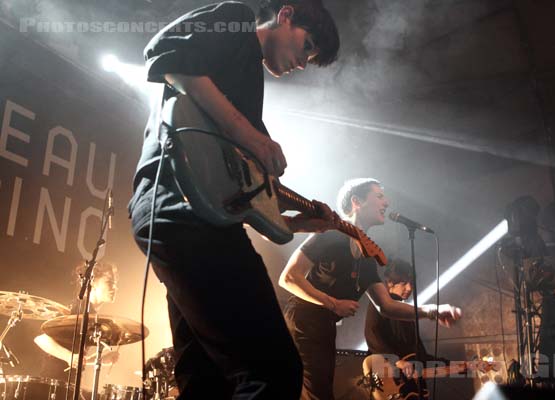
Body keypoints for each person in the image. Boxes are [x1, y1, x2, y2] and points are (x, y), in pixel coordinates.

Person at [128, 1, 340, 399]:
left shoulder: (246, 94)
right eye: (306, 44)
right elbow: (165, 50)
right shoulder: (237, 21)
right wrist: (252, 136)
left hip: (190, 220)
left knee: (208, 381)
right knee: (274, 371)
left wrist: (295, 223)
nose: (303, 62)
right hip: (183, 214)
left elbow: (238, 200)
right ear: (286, 15)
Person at [279, 178, 462, 400]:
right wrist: (334, 303)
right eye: (379, 196)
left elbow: (386, 306)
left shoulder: (367, 254)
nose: (386, 202)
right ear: (357, 201)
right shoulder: (331, 232)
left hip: (324, 325)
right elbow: (289, 277)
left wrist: (432, 311)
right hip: (302, 320)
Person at [34, 262, 120, 379]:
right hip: (52, 383)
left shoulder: (92, 314)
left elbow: (76, 360)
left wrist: (98, 360)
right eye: (109, 283)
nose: (115, 288)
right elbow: (41, 339)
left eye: (115, 284)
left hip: (70, 383)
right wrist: (69, 356)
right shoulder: (77, 308)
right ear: (93, 283)